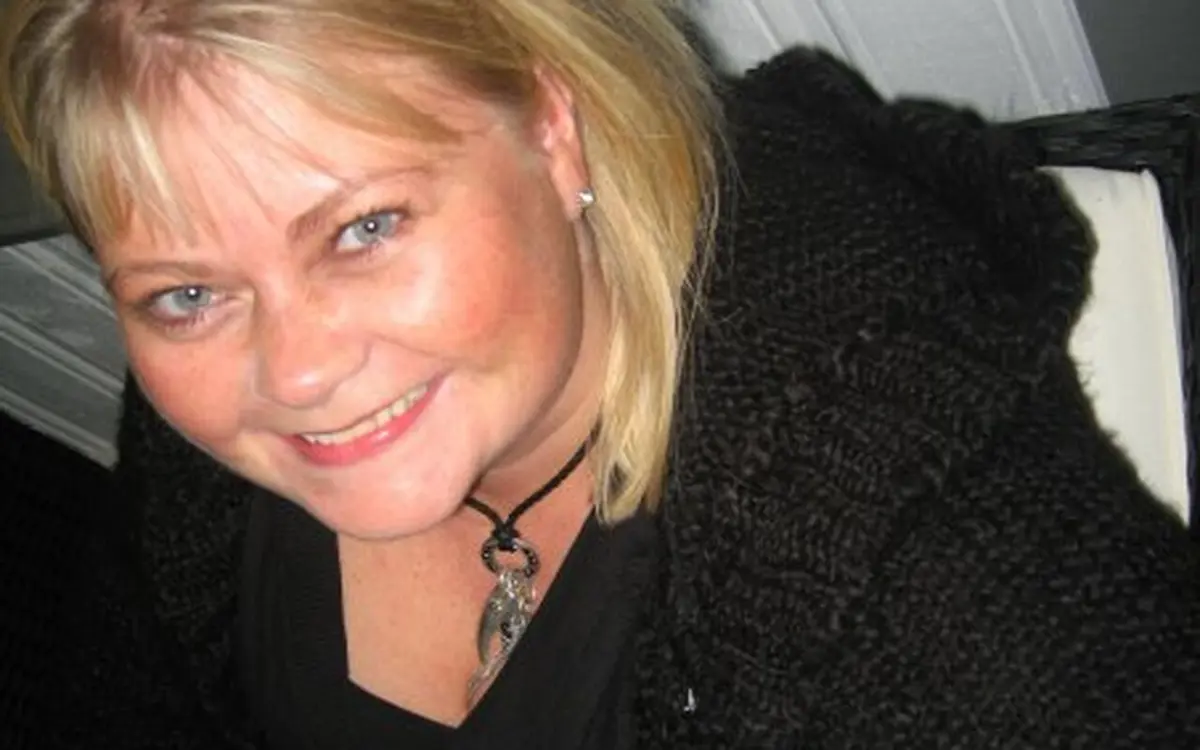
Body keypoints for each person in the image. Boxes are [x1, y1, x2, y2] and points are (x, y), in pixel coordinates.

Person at [3, 0, 1198, 747]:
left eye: (364, 228)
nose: (297, 370)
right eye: (187, 294)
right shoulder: (202, 437)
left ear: (552, 126)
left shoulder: (914, 530)